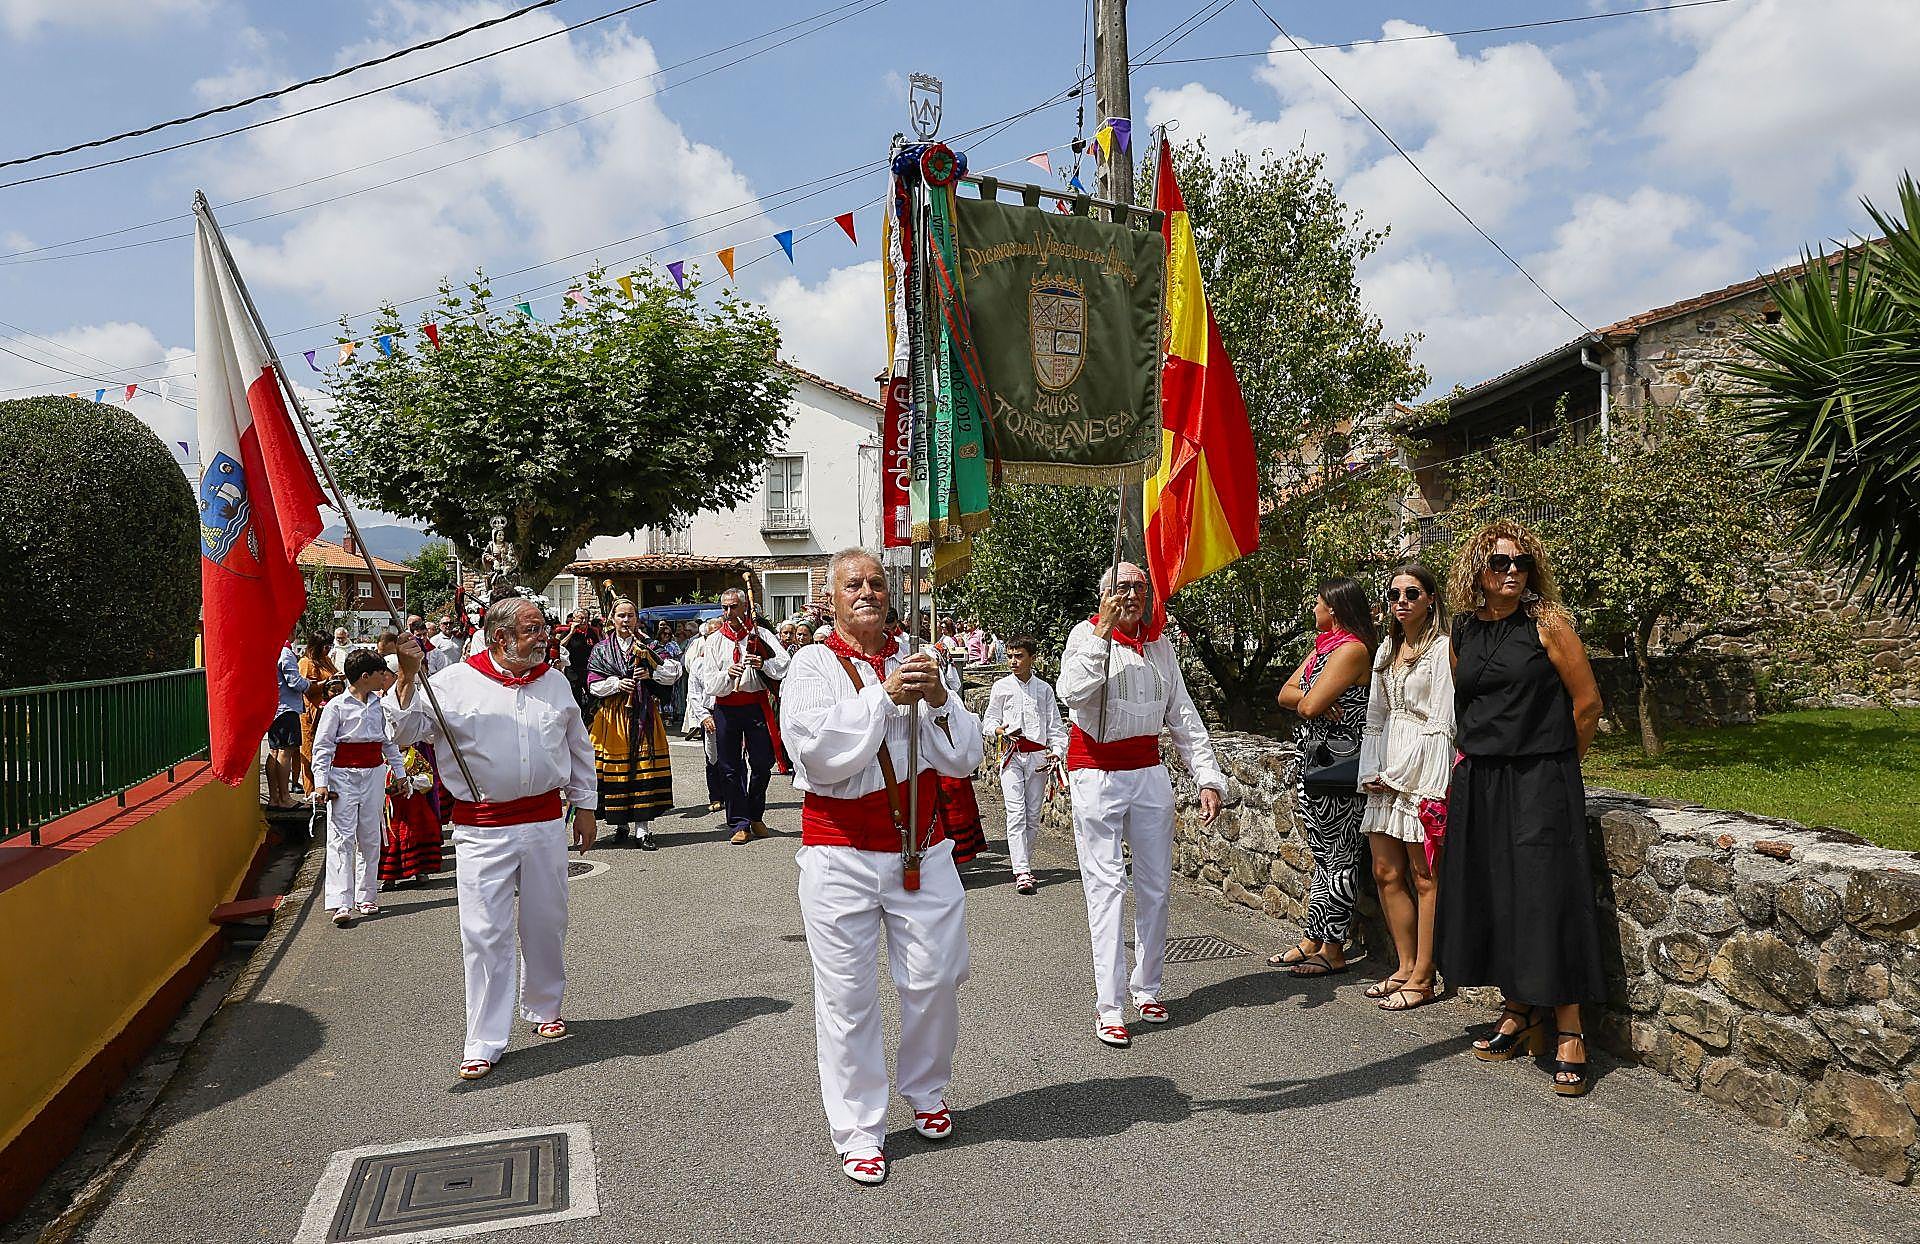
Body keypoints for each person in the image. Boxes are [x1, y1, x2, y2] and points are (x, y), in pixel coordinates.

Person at [781, 548, 983, 1185]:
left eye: (876, 582)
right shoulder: (811, 666)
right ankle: (861, 1127)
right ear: (831, 597)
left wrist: (943, 698)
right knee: (847, 997)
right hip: (839, 851)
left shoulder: (921, 659)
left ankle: (925, 1085)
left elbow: (963, 758)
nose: (867, 592)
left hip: (920, 849)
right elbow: (819, 754)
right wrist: (882, 699)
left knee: (937, 975)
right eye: (853, 584)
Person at [390, 596, 598, 1082]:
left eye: (542, 627)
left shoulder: (553, 682)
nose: (543, 636)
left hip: (546, 822)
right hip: (482, 828)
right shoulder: (452, 683)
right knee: (485, 933)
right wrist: (404, 676)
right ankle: (484, 1038)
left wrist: (585, 806)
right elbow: (400, 733)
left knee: (547, 922)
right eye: (532, 630)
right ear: (500, 637)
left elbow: (577, 746)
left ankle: (544, 1005)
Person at [1438, 520, 1604, 1097]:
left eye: (1522, 563)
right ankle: (1517, 1009)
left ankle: (1569, 1028)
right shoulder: (1462, 629)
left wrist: (1555, 767)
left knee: (1545, 896)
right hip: (1481, 778)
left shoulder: (1548, 624)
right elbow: (1469, 704)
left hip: (1540, 777)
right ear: (1477, 570)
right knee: (1498, 893)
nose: (1512, 571)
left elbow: (1587, 705)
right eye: (1500, 562)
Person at [1058, 562, 1225, 1047]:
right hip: (1097, 773)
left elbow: (1183, 715)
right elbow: (1072, 691)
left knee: (1155, 886)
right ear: (1105, 594)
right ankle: (1109, 1006)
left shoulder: (1159, 645)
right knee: (1106, 888)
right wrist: (1102, 633)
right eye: (1121, 587)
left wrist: (1207, 776)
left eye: (1139, 586)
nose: (1132, 594)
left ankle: (1147, 984)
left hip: (1148, 773)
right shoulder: (1085, 636)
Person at [1356, 564, 1454, 1011]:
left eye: (1412, 593)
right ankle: (1403, 963)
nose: (1402, 601)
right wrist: (1371, 768)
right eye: (1394, 593)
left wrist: (1425, 782)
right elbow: (1375, 716)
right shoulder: (1385, 651)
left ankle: (1424, 974)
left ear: (1430, 598)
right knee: (1385, 871)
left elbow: (1442, 722)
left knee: (1424, 875)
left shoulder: (1441, 651)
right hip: (1386, 766)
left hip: (1420, 769)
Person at [1270, 578, 1376, 979]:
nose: (1312, 608)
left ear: (1333, 608)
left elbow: (1310, 704)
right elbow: (1287, 694)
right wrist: (1312, 701)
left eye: (1316, 602)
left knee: (1341, 858)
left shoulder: (1351, 650)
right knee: (1323, 856)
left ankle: (1334, 948)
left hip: (1340, 770)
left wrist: (1315, 701)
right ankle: (1315, 937)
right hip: (1317, 765)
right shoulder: (1323, 650)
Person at [311, 649, 407, 927]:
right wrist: (321, 783)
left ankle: (367, 894)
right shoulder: (336, 707)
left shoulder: (380, 705)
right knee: (341, 836)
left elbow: (389, 742)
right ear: (366, 676)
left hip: (374, 774)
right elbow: (324, 747)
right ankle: (341, 900)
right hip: (343, 775)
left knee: (370, 833)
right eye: (380, 674)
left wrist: (399, 774)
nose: (384, 678)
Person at [698, 588, 790, 845]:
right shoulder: (714, 640)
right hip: (726, 707)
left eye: (734, 607)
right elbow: (709, 684)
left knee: (762, 764)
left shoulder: (761, 635)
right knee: (729, 767)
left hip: (756, 704)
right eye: (725, 608)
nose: (729, 613)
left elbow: (784, 664)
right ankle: (739, 822)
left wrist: (764, 665)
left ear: (745, 607)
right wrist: (727, 673)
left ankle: (755, 813)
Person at [587, 600, 681, 848]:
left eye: (630, 615)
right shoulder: (601, 650)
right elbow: (593, 685)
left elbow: (673, 671)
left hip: (644, 716)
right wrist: (618, 684)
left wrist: (651, 673)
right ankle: (621, 824)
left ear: (637, 619)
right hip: (612, 718)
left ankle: (643, 829)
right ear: (612, 619)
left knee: (642, 768)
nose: (625, 620)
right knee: (617, 770)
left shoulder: (649, 646)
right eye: (621, 615)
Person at [981, 633, 1067, 894]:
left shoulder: (1044, 689)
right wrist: (999, 731)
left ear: (1032, 657)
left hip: (1039, 757)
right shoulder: (1001, 687)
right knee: (1016, 812)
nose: (1013, 661)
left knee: (1032, 815)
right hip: (1011, 754)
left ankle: (1024, 863)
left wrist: (1059, 750)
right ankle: (1021, 870)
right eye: (1010, 656)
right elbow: (988, 722)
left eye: (1019, 656)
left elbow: (1056, 727)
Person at [380, 740, 444, 889]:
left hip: (414, 806)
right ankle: (389, 877)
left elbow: (428, 778)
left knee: (415, 835)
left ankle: (420, 871)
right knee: (390, 839)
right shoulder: (379, 759)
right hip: (389, 807)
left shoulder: (415, 757)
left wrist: (411, 781)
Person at [682, 619, 728, 812]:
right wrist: (703, 716)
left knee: (734, 757)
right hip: (709, 713)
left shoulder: (731, 658)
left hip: (730, 712)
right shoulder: (699, 663)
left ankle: (734, 796)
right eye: (710, 637)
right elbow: (693, 693)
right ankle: (715, 796)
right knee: (712, 757)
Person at [267, 634, 311, 808]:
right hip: (286, 708)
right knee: (285, 751)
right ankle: (285, 798)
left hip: (274, 707)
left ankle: (274, 797)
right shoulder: (285, 652)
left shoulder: (271, 650)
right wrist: (310, 685)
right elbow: (294, 682)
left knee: (274, 751)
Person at [297, 632, 341, 793]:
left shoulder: (326, 660)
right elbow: (306, 688)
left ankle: (326, 787)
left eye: (330, 646)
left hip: (329, 711)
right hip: (312, 713)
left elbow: (334, 675)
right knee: (309, 752)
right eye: (326, 646)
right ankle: (311, 792)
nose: (328, 650)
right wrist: (327, 682)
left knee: (327, 750)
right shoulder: (306, 662)